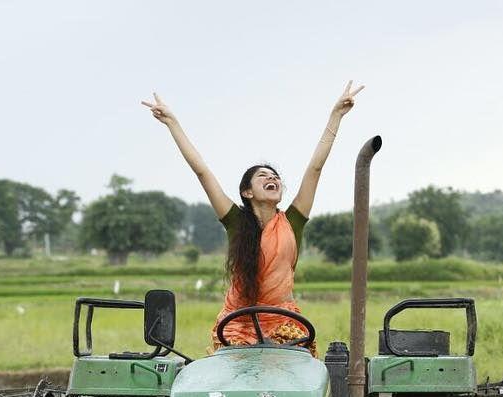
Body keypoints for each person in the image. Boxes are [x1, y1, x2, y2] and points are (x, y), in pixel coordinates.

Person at [142, 82, 364, 356]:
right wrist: (172, 123)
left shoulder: (293, 221)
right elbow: (202, 171)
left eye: (275, 176)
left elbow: (315, 168)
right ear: (247, 192)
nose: (272, 178)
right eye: (263, 176)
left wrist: (336, 116)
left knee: (300, 370)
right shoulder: (235, 222)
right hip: (236, 325)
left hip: (284, 324)